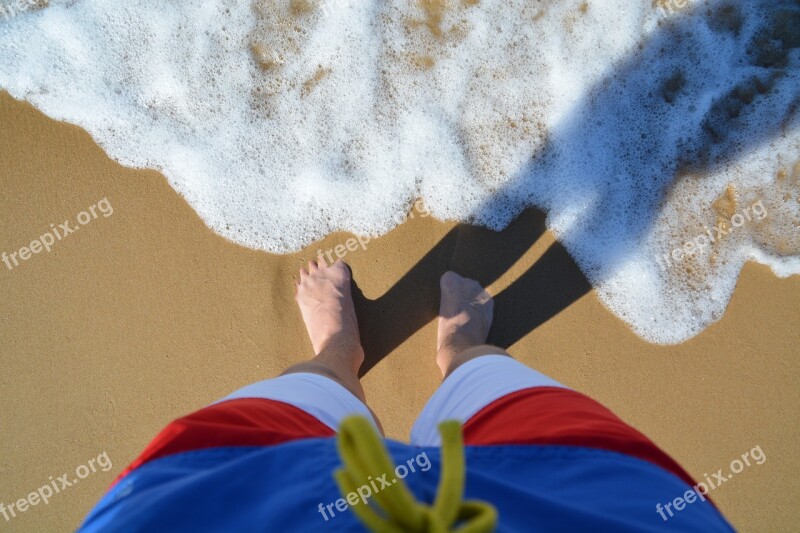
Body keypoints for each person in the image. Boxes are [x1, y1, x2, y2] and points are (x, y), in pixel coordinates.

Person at [79, 260, 733, 531]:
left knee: (298, 409)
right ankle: (462, 354)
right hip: (576, 502)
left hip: (227, 503)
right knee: (506, 399)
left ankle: (339, 355)